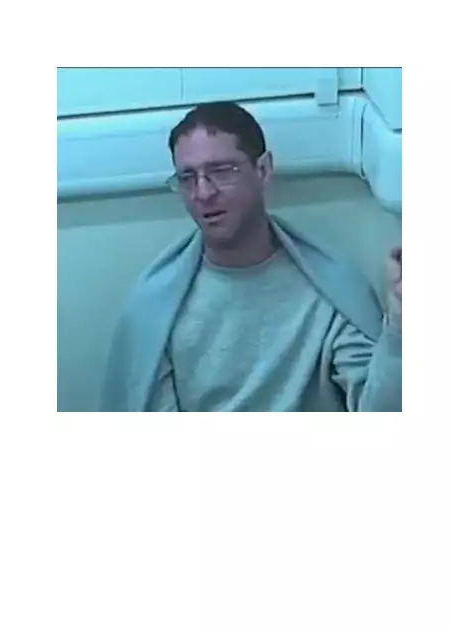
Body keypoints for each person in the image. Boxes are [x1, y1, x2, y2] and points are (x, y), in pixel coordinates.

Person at [101, 102, 402, 411]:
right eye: (188, 177)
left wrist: (400, 328)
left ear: (263, 170)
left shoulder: (331, 291)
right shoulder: (156, 310)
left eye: (221, 171)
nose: (203, 193)